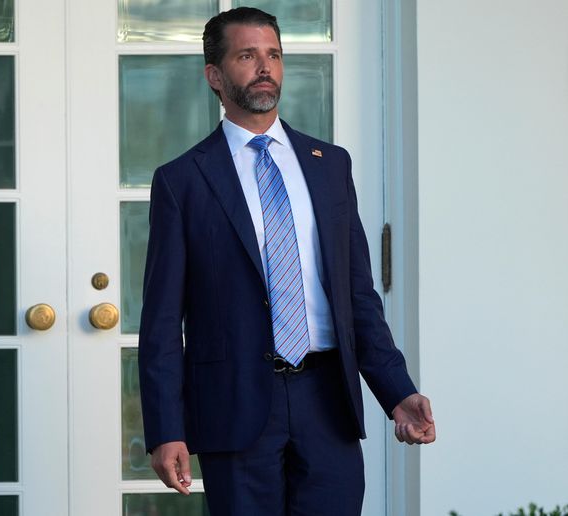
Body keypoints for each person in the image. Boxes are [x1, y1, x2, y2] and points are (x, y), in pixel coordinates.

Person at [137, 7, 436, 515]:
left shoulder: (330, 165)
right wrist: (167, 429)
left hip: (328, 399)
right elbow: (163, 322)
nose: (264, 67)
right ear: (214, 74)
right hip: (235, 405)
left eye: (273, 54)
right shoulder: (182, 181)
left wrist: (396, 392)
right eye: (247, 55)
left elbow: (358, 296)